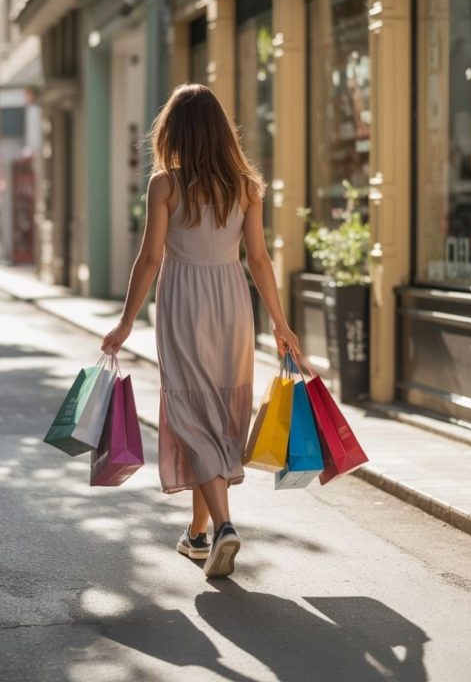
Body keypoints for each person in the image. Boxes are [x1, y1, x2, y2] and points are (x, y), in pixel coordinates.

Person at [101, 84, 301, 579]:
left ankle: (226, 526)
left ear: (173, 131)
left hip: (184, 303)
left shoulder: (165, 185)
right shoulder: (246, 185)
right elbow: (258, 259)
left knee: (191, 414)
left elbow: (150, 259)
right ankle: (197, 534)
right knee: (217, 414)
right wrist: (279, 323)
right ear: (220, 131)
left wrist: (126, 321)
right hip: (233, 304)